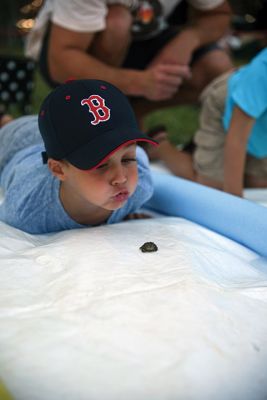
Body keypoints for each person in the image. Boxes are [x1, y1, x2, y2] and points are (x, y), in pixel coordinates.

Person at [25, 0, 233, 121]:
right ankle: (97, 121)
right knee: (116, 21)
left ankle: (130, 118)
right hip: (73, 48)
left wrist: (186, 42)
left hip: (148, 40)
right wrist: (139, 82)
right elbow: (61, 62)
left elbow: (219, 13)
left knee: (218, 70)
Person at [0, 79, 158, 234]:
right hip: (19, 143)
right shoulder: (27, 210)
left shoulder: (141, 186)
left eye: (128, 159)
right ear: (59, 170)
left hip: (64, 137)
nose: (121, 178)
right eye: (100, 164)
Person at [147, 47, 267, 197]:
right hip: (226, 108)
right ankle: (160, 145)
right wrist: (235, 201)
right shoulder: (262, 72)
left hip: (259, 124)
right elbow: (237, 138)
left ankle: (202, 154)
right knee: (213, 186)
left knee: (258, 184)